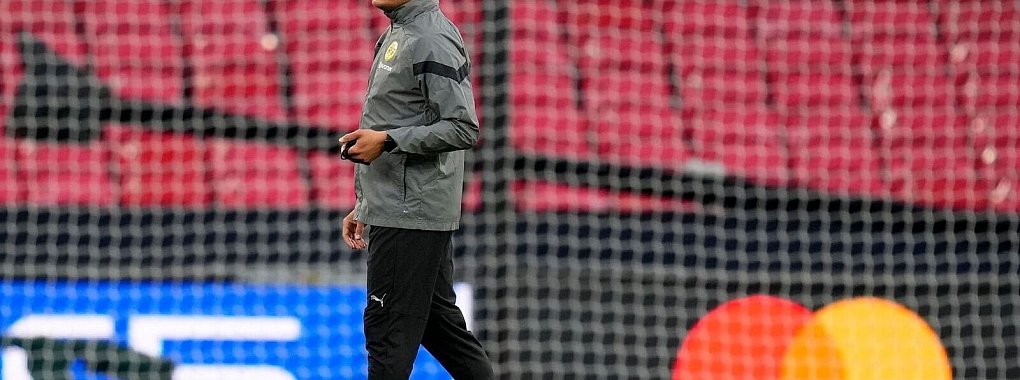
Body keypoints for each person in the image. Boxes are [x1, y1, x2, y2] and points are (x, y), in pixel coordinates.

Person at [338, 0, 494, 378]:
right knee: (438, 327)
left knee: (387, 330)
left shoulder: (430, 37)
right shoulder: (402, 30)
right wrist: (366, 202)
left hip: (410, 212)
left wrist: (388, 140)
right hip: (401, 205)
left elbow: (463, 127)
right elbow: (399, 116)